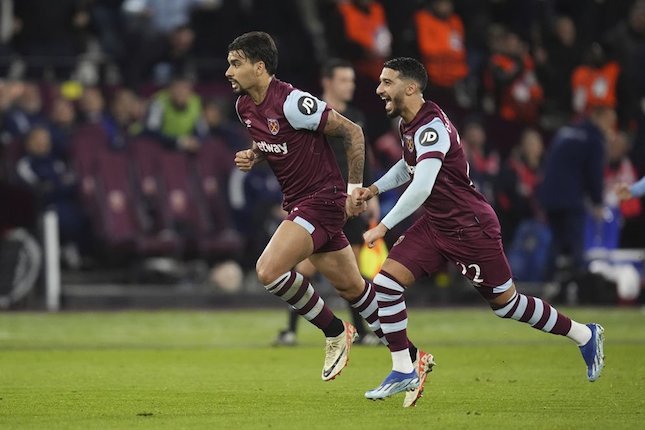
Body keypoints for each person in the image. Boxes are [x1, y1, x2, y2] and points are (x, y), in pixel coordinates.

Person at [352, 58, 604, 404]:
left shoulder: (431, 127)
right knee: (385, 284)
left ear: (410, 88)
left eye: (386, 82)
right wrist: (375, 189)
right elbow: (409, 165)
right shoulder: (409, 125)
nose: (379, 89)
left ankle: (584, 334)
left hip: (470, 227)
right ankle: (404, 368)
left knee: (506, 304)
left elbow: (422, 186)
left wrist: (382, 226)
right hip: (436, 224)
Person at [226, 32, 430, 384]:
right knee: (354, 289)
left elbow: (353, 132)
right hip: (301, 202)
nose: (228, 71)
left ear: (260, 68)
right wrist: (255, 154)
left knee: (268, 270)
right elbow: (276, 140)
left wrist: (354, 190)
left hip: (322, 200)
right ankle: (412, 356)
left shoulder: (292, 101)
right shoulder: (245, 106)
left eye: (236, 63)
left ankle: (335, 331)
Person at [273, 59, 380, 347]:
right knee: (306, 269)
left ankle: (361, 332)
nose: (350, 86)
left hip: (353, 201)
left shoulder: (356, 117)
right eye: (344, 80)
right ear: (328, 82)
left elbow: (363, 155)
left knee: (352, 273)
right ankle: (292, 330)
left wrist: (369, 193)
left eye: (352, 81)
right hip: (323, 201)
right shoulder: (314, 114)